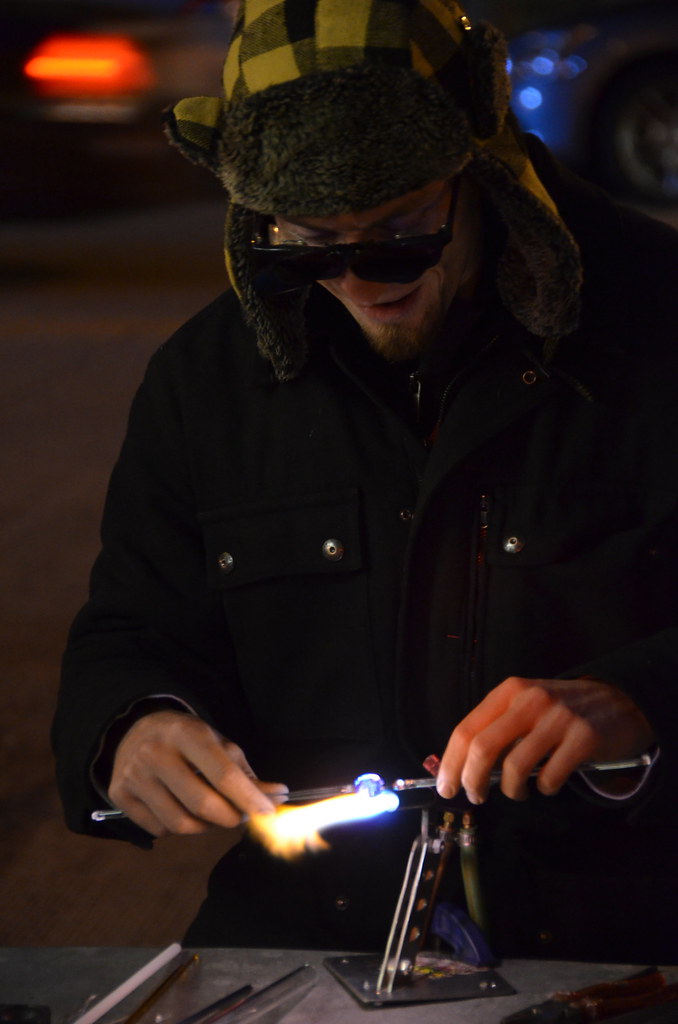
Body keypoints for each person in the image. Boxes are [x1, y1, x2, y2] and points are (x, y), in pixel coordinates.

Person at [53, 0, 678, 962]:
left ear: (479, 161)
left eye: (399, 234)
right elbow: (132, 630)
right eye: (310, 243)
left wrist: (638, 698)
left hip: (617, 941)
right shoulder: (206, 384)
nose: (360, 281)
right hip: (315, 936)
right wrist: (132, 726)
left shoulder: (654, 324)